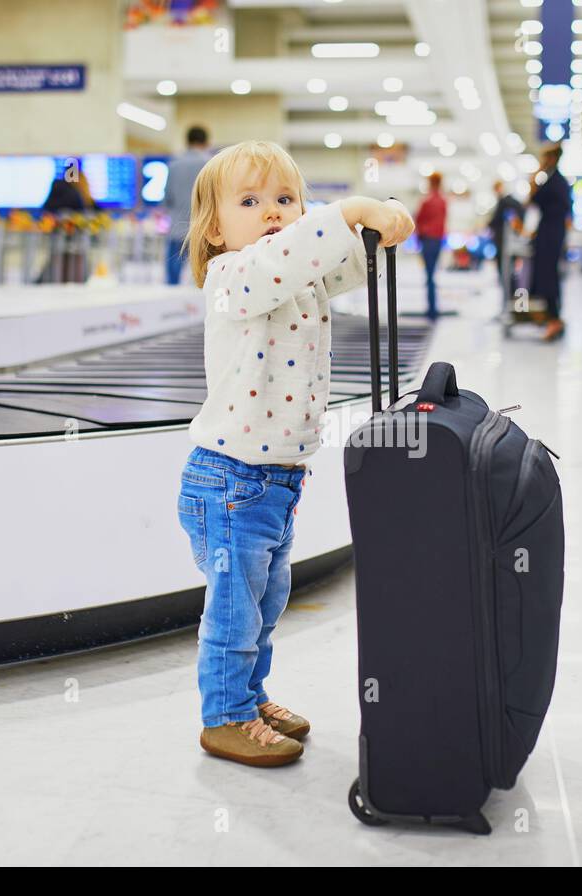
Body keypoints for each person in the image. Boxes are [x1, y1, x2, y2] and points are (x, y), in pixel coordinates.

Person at [178, 140, 413, 767]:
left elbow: (342, 266)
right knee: (233, 612)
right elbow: (292, 256)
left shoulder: (295, 275)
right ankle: (222, 717)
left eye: (285, 199)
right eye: (250, 202)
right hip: (229, 481)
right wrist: (345, 212)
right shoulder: (234, 278)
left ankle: (249, 699)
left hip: (276, 481)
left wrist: (377, 230)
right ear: (215, 228)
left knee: (265, 603)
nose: (273, 212)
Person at [528, 143, 571, 341]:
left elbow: (532, 198)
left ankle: (554, 319)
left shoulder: (555, 181)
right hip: (552, 233)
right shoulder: (556, 180)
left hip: (550, 235)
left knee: (548, 276)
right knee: (548, 275)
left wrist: (537, 172)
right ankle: (553, 317)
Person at [164, 125, 212, 285]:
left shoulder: (174, 165)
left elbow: (167, 198)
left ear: (187, 142)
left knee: (173, 278)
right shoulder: (210, 165)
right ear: (206, 142)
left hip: (177, 228)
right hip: (203, 228)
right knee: (204, 276)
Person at [415, 171, 447, 321]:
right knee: (432, 275)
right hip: (438, 241)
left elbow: (418, 221)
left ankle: (432, 309)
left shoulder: (426, 201)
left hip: (427, 241)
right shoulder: (443, 201)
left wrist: (418, 239)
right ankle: (433, 308)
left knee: (429, 276)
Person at [488, 179, 524, 306]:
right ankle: (515, 303)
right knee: (514, 274)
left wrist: (489, 224)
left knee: (506, 274)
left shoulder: (504, 202)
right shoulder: (515, 203)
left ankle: (512, 303)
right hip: (513, 244)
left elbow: (494, 221)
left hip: (504, 245)